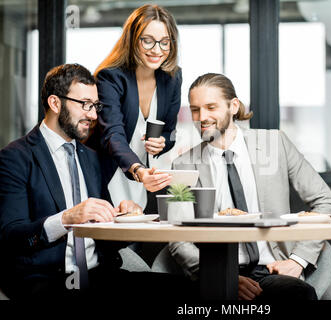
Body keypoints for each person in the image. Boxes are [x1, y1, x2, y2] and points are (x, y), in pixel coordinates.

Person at [0, 64, 192, 300]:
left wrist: (124, 218)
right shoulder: (15, 157)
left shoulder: (91, 158)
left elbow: (104, 236)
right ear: (55, 103)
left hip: (100, 275)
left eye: (95, 106)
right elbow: (11, 237)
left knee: (191, 290)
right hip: (46, 280)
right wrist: (66, 218)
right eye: (85, 105)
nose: (93, 115)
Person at [168, 73, 331, 301]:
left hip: (270, 269)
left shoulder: (275, 144)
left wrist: (297, 260)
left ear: (233, 106)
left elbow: (324, 202)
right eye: (195, 109)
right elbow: (178, 238)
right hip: (214, 270)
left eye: (211, 107)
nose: (202, 117)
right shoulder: (182, 164)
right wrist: (220, 277)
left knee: (298, 294)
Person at [90, 4, 181, 212]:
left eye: (164, 42)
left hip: (147, 179)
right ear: (133, 40)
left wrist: (162, 143)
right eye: (148, 41)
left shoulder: (172, 79)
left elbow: (170, 132)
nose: (157, 50)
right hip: (112, 172)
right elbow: (112, 135)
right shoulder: (110, 77)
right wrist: (138, 170)